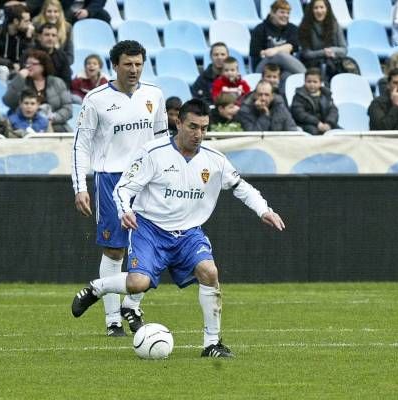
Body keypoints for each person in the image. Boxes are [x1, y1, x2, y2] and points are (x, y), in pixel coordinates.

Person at [71, 98, 286, 358]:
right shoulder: (153, 152)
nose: (199, 134)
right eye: (193, 127)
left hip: (188, 233)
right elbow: (124, 188)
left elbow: (242, 187)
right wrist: (124, 210)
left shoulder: (215, 160)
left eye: (204, 128)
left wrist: (264, 209)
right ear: (178, 123)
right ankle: (97, 288)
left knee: (210, 272)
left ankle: (212, 344)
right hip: (149, 229)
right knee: (138, 283)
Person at [71, 40, 169, 337]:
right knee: (115, 249)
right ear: (115, 65)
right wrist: (80, 185)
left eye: (138, 64)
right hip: (111, 178)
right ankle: (113, 320)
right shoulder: (96, 98)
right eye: (128, 64)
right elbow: (81, 145)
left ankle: (132, 304)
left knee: (154, 248)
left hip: (148, 180)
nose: (134, 69)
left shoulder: (155, 94)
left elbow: (162, 138)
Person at [3, 49, 72, 132]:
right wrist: (19, 78)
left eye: (33, 64)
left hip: (53, 123)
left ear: (43, 66)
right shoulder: (21, 81)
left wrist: (52, 118)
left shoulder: (57, 82)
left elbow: (67, 108)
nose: (28, 66)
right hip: (24, 125)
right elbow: (8, 101)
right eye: (27, 63)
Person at [298, 0, 357, 83]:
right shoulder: (304, 27)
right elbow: (306, 53)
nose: (319, 11)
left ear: (327, 9)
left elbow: (344, 49)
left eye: (322, 7)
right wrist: (324, 52)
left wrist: (332, 50)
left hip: (333, 61)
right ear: (311, 10)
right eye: (316, 8)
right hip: (312, 63)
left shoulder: (334, 25)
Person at [250, 0, 306, 77]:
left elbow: (292, 46)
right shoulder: (260, 29)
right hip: (263, 68)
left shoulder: (292, 29)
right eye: (282, 12)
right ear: (272, 13)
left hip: (283, 68)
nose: (285, 15)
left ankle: (310, 80)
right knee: (280, 55)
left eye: (288, 13)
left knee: (287, 75)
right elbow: (257, 53)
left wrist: (274, 50)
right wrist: (279, 51)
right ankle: (307, 76)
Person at [0, 4, 35, 82]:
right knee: (4, 70)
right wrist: (11, 64)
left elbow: (30, 57)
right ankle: (3, 93)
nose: (29, 24)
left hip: (17, 68)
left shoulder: (26, 34)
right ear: (16, 21)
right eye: (26, 21)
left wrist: (28, 39)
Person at [290, 67, 339, 134]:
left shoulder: (326, 94)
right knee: (314, 132)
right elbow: (299, 113)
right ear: (304, 82)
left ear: (320, 83)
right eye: (309, 81)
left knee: (340, 132)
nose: (312, 84)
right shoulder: (299, 95)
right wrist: (317, 123)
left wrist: (329, 123)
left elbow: (333, 110)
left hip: (325, 123)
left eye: (315, 82)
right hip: (306, 124)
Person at [33, 22, 72, 86]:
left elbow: (67, 81)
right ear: (39, 37)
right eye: (47, 35)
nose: (50, 38)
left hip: (57, 91)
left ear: (57, 38)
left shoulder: (62, 56)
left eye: (53, 35)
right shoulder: (30, 54)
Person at [192, 42, 228, 106]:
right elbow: (198, 100)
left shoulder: (234, 77)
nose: (219, 57)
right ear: (211, 57)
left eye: (223, 54)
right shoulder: (202, 78)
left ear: (227, 57)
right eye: (216, 55)